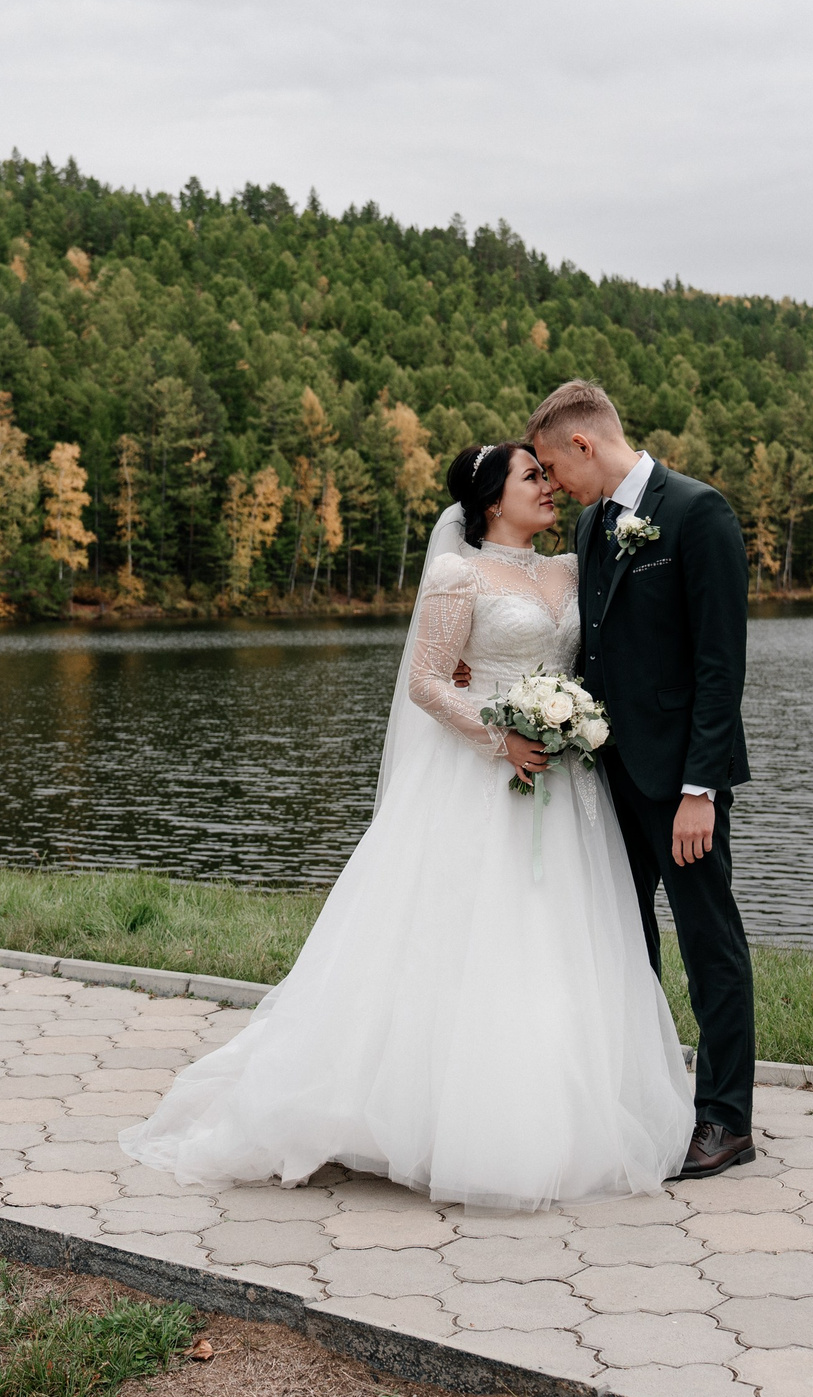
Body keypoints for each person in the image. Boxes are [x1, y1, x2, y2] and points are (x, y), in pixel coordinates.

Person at [120, 443, 693, 1210]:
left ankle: (573, 1104)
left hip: (569, 789)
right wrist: (502, 734)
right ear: (491, 500)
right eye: (532, 476)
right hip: (485, 778)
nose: (549, 486)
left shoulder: (566, 567)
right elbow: (426, 678)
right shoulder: (458, 574)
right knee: (477, 941)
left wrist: (573, 722)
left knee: (564, 941)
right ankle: (443, 1119)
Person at [526, 379, 757, 1178]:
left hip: (680, 787)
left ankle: (727, 1118)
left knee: (708, 945)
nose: (552, 486)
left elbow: (720, 665)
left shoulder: (699, 513)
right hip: (607, 781)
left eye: (555, 468)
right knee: (622, 947)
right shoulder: (593, 525)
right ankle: (647, 1100)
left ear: (585, 445)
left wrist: (700, 790)